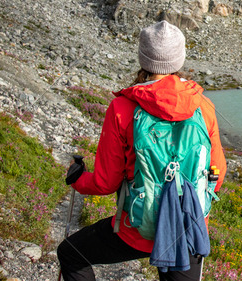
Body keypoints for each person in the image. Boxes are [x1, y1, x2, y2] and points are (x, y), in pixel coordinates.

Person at [58, 21, 226, 281]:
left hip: (135, 229)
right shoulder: (203, 105)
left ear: (143, 58)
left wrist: (78, 179)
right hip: (186, 228)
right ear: (179, 58)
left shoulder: (122, 108)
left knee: (71, 253)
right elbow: (217, 175)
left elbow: (105, 183)